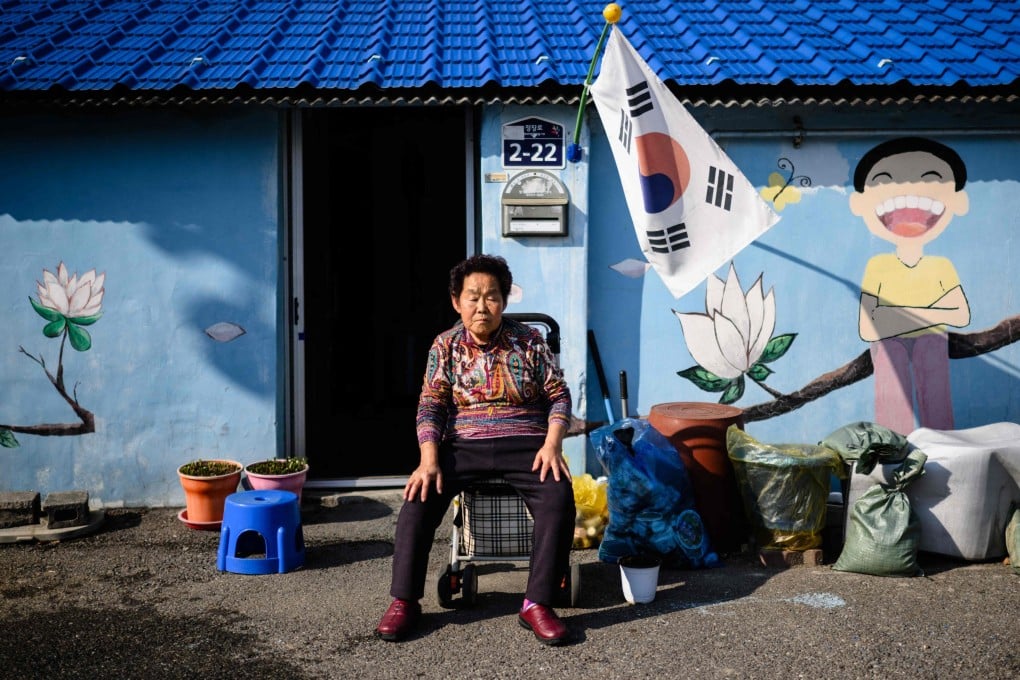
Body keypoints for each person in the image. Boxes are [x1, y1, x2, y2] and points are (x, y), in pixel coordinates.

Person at [374, 253, 576, 646]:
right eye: (473, 297)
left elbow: (559, 396)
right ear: (456, 301)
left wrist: (553, 444)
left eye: (492, 296)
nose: (482, 306)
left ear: (504, 300)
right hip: (463, 443)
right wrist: (428, 460)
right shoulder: (444, 346)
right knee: (417, 499)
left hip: (526, 442)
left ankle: (537, 603)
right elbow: (431, 403)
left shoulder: (529, 341)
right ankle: (404, 601)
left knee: (558, 496)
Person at [850, 137, 971, 434]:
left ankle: (944, 456)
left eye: (932, 179)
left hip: (932, 344)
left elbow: (961, 315)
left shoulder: (941, 266)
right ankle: (892, 456)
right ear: (859, 204)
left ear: (959, 202)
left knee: (937, 399)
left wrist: (893, 315)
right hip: (890, 346)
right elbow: (868, 328)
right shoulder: (877, 265)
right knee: (891, 386)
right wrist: (932, 313)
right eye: (883, 180)